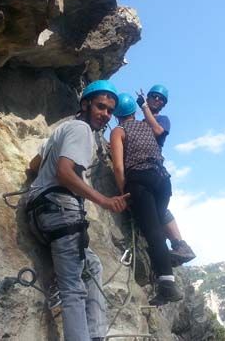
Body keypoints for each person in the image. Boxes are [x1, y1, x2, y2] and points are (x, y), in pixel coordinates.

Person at [25, 80, 130, 341]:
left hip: (40, 214)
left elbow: (33, 165)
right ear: (85, 104)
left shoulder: (61, 132)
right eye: (100, 107)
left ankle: (95, 335)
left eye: (109, 110)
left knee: (92, 265)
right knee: (73, 289)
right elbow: (64, 173)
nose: (105, 114)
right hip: (61, 212)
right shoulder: (82, 130)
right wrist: (104, 201)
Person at [109, 93, 184, 306]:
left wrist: (124, 191)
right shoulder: (147, 128)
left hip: (140, 180)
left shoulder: (118, 131)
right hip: (163, 181)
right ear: (133, 111)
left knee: (152, 233)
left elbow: (117, 166)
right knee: (154, 228)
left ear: (117, 115)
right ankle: (164, 278)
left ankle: (167, 285)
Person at [136, 84, 196, 266]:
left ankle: (179, 245)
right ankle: (171, 247)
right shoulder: (139, 124)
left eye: (160, 99)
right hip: (142, 170)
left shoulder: (163, 119)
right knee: (154, 210)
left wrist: (144, 107)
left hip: (155, 172)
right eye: (154, 96)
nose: (157, 100)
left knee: (158, 211)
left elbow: (157, 132)